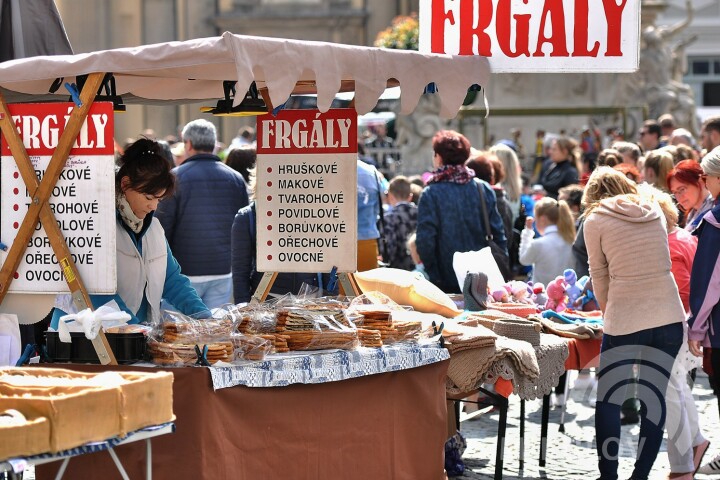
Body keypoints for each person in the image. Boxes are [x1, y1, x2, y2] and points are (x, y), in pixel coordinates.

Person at [583, 166, 684, 480]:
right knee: (653, 398)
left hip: (626, 316)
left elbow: (599, 276)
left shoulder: (595, 221)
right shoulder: (652, 208)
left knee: (610, 399)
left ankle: (608, 475)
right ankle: (640, 475)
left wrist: (607, 310)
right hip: (669, 314)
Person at [51, 138, 209, 328]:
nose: (153, 206)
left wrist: (204, 317)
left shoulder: (154, 228)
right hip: (81, 336)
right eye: (149, 197)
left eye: (159, 199)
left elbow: (172, 280)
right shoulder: (96, 224)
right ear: (125, 184)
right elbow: (96, 291)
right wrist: (136, 330)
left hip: (134, 339)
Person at [640, 184, 707, 479]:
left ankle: (682, 467)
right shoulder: (680, 237)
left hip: (673, 323)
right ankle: (695, 444)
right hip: (683, 322)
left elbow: (679, 293)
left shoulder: (669, 245)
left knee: (669, 391)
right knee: (677, 386)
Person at [155, 119, 249, 309]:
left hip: (183, 272)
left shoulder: (175, 178)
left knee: (178, 333)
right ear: (214, 144)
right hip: (223, 269)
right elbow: (243, 226)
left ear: (188, 144)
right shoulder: (235, 178)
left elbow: (162, 227)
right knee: (214, 333)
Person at [416, 130, 507, 293]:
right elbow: (499, 233)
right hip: (483, 277)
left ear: (439, 157)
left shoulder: (430, 193)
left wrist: (434, 275)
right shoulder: (483, 188)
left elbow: (425, 241)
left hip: (446, 277)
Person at [231, 172, 332, 303]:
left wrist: (330, 299)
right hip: (267, 301)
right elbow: (240, 271)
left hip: (310, 300)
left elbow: (328, 261)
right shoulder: (247, 216)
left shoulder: (317, 213)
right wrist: (243, 310)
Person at [688, 146, 720, 475]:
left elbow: (709, 281)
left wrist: (696, 329)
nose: (705, 183)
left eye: (706, 176)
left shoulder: (715, 220)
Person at [519, 197, 576, 287]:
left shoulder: (538, 244)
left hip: (542, 297)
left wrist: (527, 233)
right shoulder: (571, 241)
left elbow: (524, 259)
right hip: (567, 297)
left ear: (542, 219)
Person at [667, 159, 715, 232]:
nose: (678, 197)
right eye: (675, 192)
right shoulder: (692, 213)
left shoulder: (714, 210)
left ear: (700, 180)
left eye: (682, 189)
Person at [381, 176, 417, 271]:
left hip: (397, 271)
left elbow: (389, 249)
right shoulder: (421, 214)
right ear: (410, 197)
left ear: (390, 196)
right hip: (419, 268)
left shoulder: (388, 218)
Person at [357, 158, 385, 272]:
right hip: (367, 238)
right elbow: (378, 207)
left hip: (336, 242)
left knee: (338, 288)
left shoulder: (328, 169)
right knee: (367, 287)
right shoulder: (371, 172)